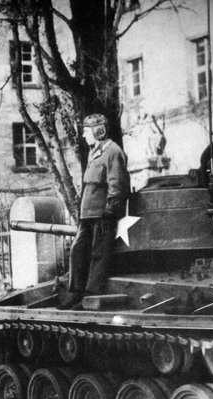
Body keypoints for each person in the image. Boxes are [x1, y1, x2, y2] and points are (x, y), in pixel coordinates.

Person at [61, 114, 130, 309]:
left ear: (98, 130)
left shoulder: (113, 152)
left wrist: (110, 212)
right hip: (88, 216)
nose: (83, 135)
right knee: (77, 251)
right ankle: (75, 293)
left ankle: (90, 296)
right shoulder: (95, 153)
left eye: (86, 131)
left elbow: (117, 185)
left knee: (98, 254)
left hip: (102, 215)